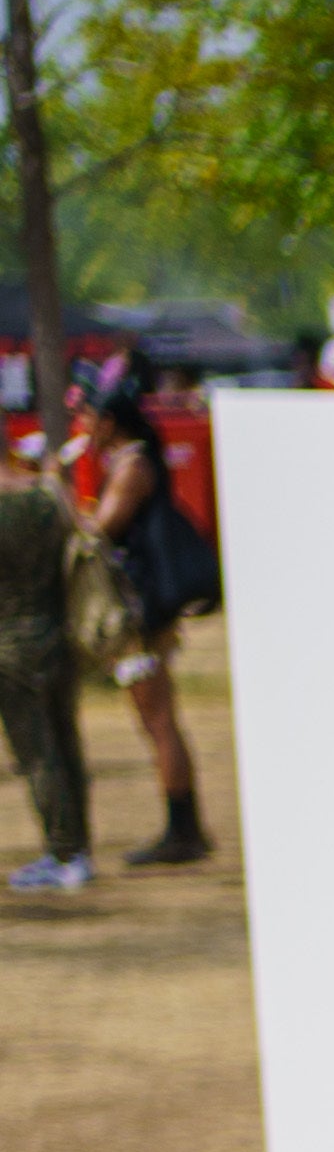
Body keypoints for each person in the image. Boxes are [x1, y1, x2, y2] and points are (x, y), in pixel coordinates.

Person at [81, 380, 208, 869]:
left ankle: (183, 830)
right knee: (160, 719)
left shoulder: (131, 465)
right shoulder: (132, 461)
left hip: (139, 610)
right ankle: (185, 825)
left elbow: (101, 531)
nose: (86, 428)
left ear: (108, 422)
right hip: (146, 606)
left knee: (157, 720)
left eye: (90, 418)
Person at [1, 430, 90, 893]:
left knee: (37, 754)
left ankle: (63, 852)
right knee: (67, 741)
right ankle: (81, 848)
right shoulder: (44, 497)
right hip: (58, 633)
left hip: (11, 648)